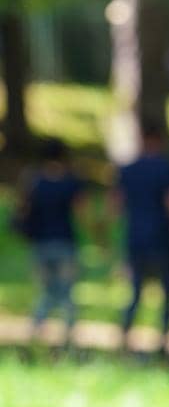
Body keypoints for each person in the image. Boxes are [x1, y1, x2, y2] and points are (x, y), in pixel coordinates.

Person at [113, 124, 169, 356]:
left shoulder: (128, 170)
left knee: (135, 291)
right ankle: (163, 342)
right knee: (166, 292)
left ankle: (124, 337)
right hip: (162, 238)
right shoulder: (168, 169)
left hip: (136, 238)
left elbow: (115, 205)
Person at [14, 137, 87, 350]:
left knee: (46, 293)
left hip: (40, 245)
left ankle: (34, 334)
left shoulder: (33, 180)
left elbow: (22, 209)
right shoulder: (71, 181)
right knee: (66, 294)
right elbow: (81, 212)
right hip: (65, 243)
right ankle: (69, 340)